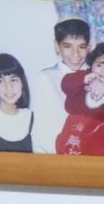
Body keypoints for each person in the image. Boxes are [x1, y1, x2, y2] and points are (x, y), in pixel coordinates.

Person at [29, 18, 90, 154]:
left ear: (89, 47)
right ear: (57, 46)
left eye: (81, 46)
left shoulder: (96, 76)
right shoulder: (45, 79)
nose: (76, 54)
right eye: (67, 46)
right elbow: (41, 133)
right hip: (58, 158)